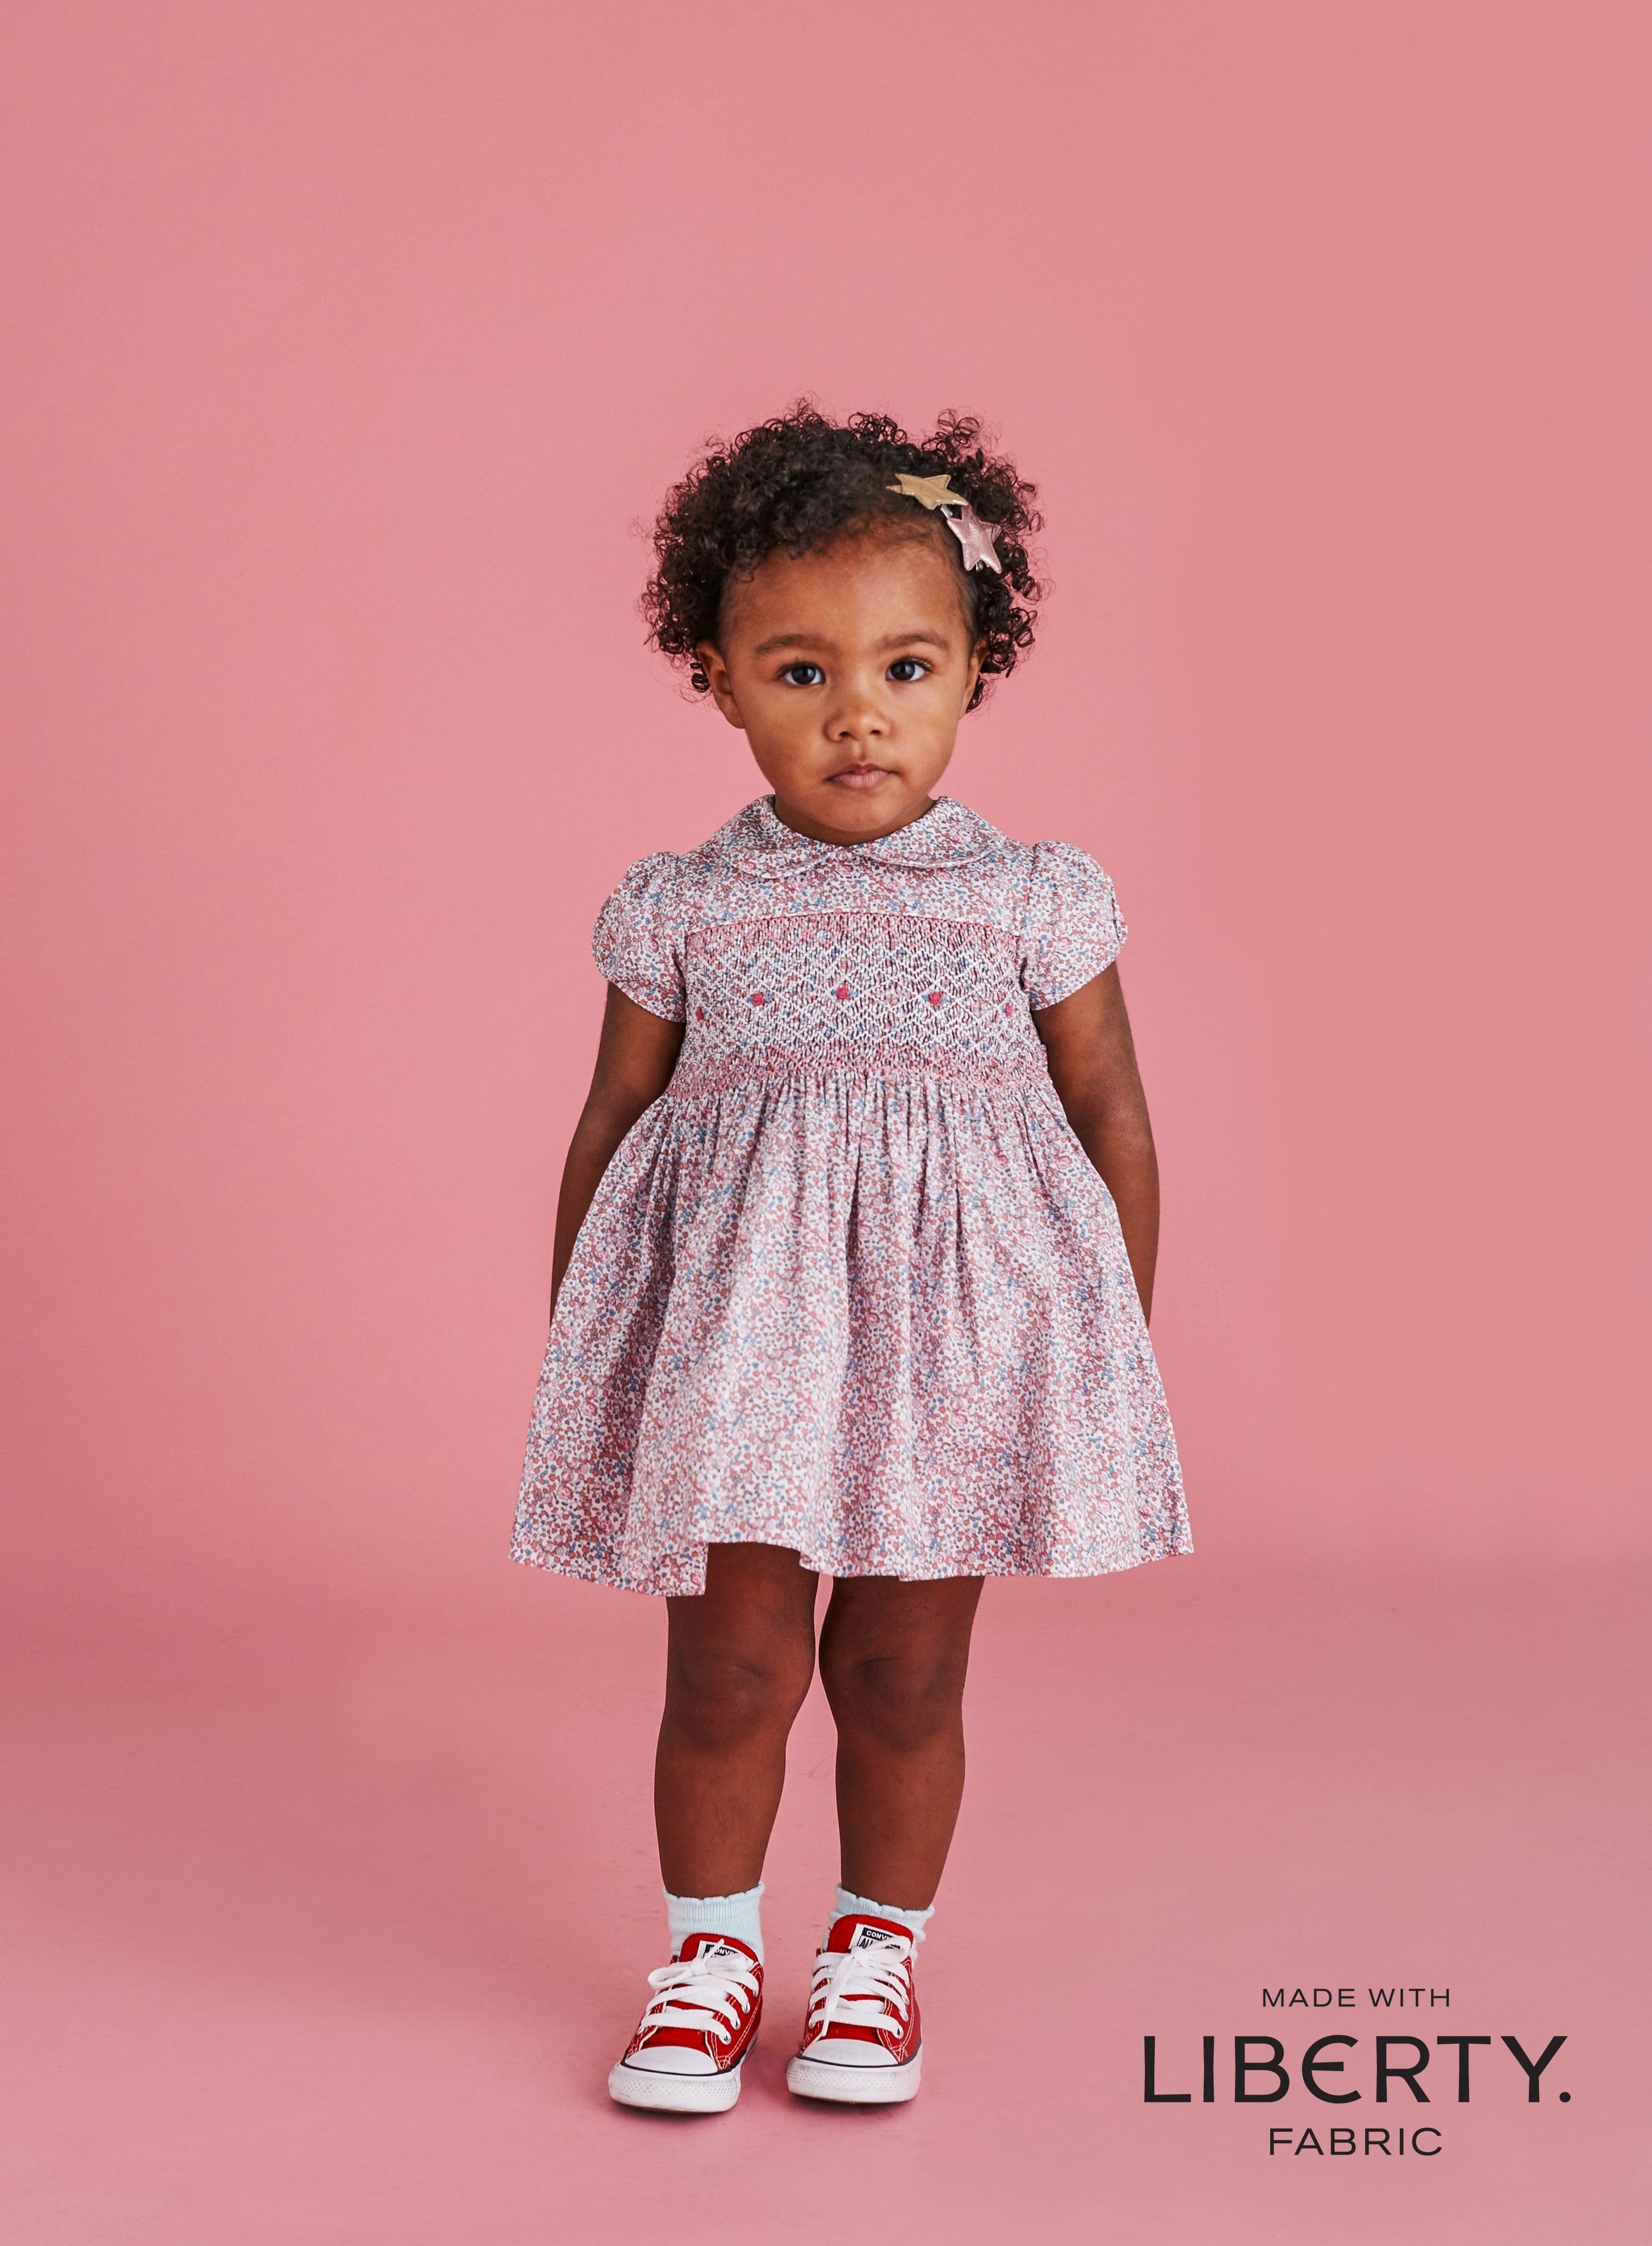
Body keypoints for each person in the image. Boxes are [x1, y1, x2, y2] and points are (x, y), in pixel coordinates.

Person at [512, 405, 1191, 2113]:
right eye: (799, 671)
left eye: (905, 664)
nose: (858, 711)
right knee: (729, 1663)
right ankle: (709, 1952)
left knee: (900, 1670)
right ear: (720, 680)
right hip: (738, 1350)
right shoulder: (681, 904)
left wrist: (1104, 1345)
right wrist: (593, 1346)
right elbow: (609, 1123)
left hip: (952, 1356)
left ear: (974, 672)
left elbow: (1109, 1116)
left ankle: (873, 1953)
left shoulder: (1031, 897)